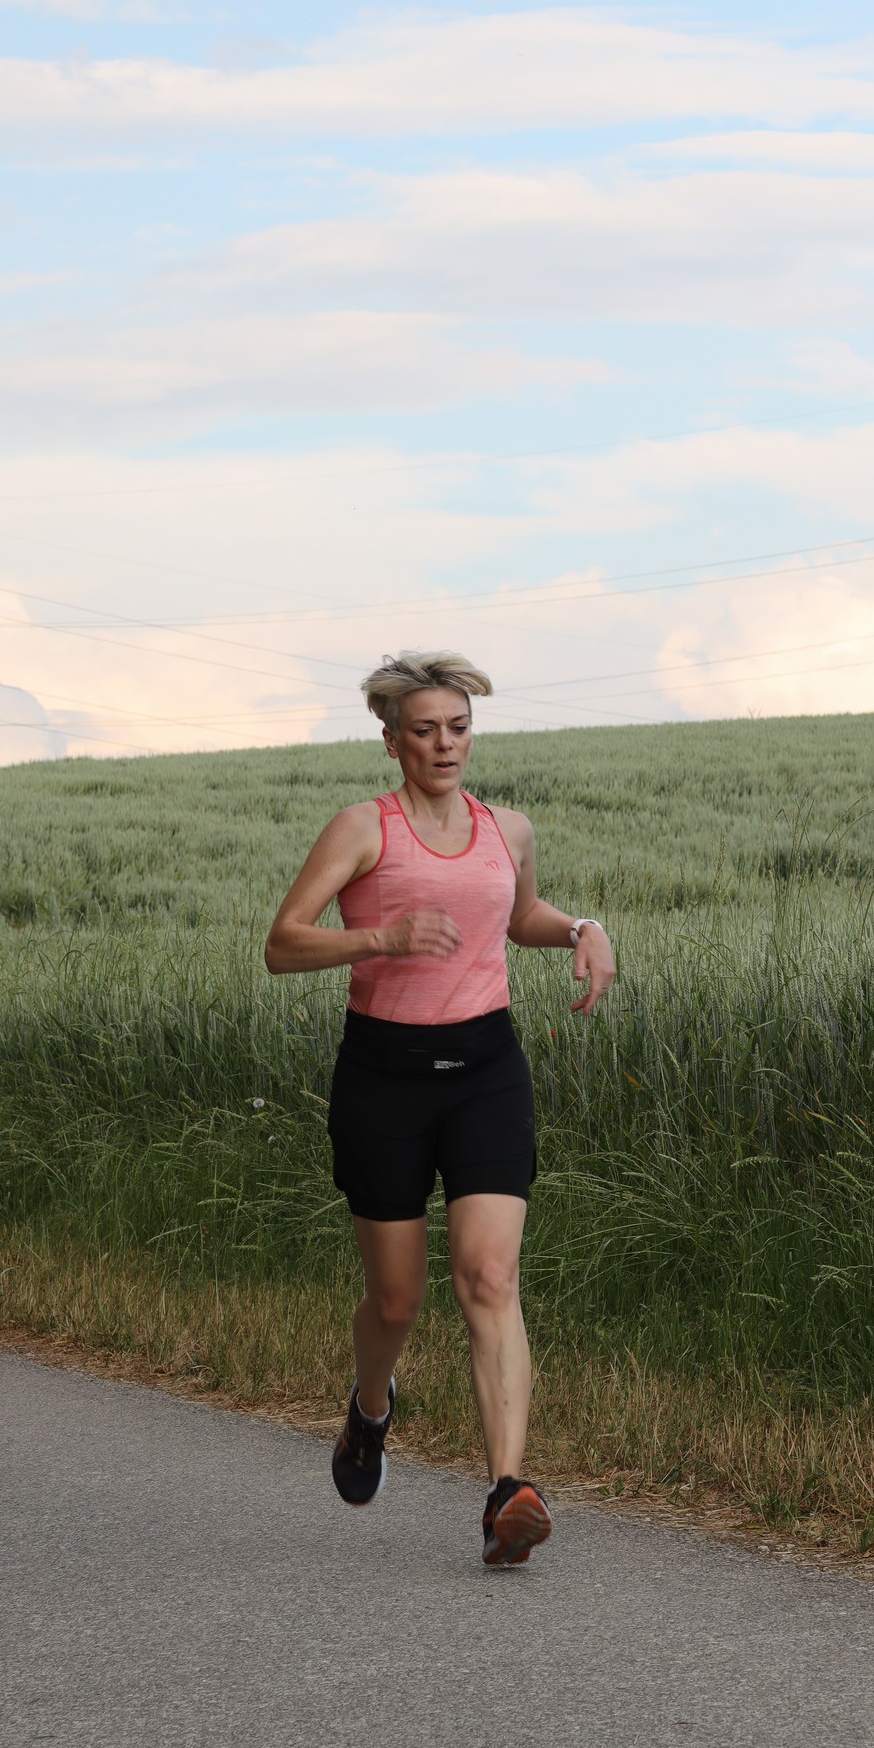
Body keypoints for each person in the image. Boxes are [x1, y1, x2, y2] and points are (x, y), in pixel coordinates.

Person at [264, 651, 616, 1566]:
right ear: (392, 742)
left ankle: (508, 1493)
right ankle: (370, 1410)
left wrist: (582, 930)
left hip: (486, 1072)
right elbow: (282, 945)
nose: (445, 744)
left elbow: (519, 918)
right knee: (396, 1300)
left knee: (490, 1277)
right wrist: (381, 936)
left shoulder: (509, 830)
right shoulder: (362, 830)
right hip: (384, 1078)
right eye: (425, 730)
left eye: (458, 728)